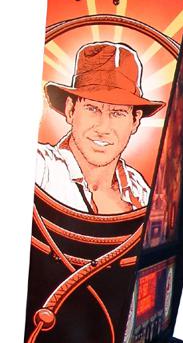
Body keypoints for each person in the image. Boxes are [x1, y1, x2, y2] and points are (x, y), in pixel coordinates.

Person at [36, 41, 165, 215]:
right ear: (70, 110)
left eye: (117, 113)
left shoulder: (139, 192)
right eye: (92, 109)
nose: (103, 128)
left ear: (135, 121)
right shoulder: (41, 167)